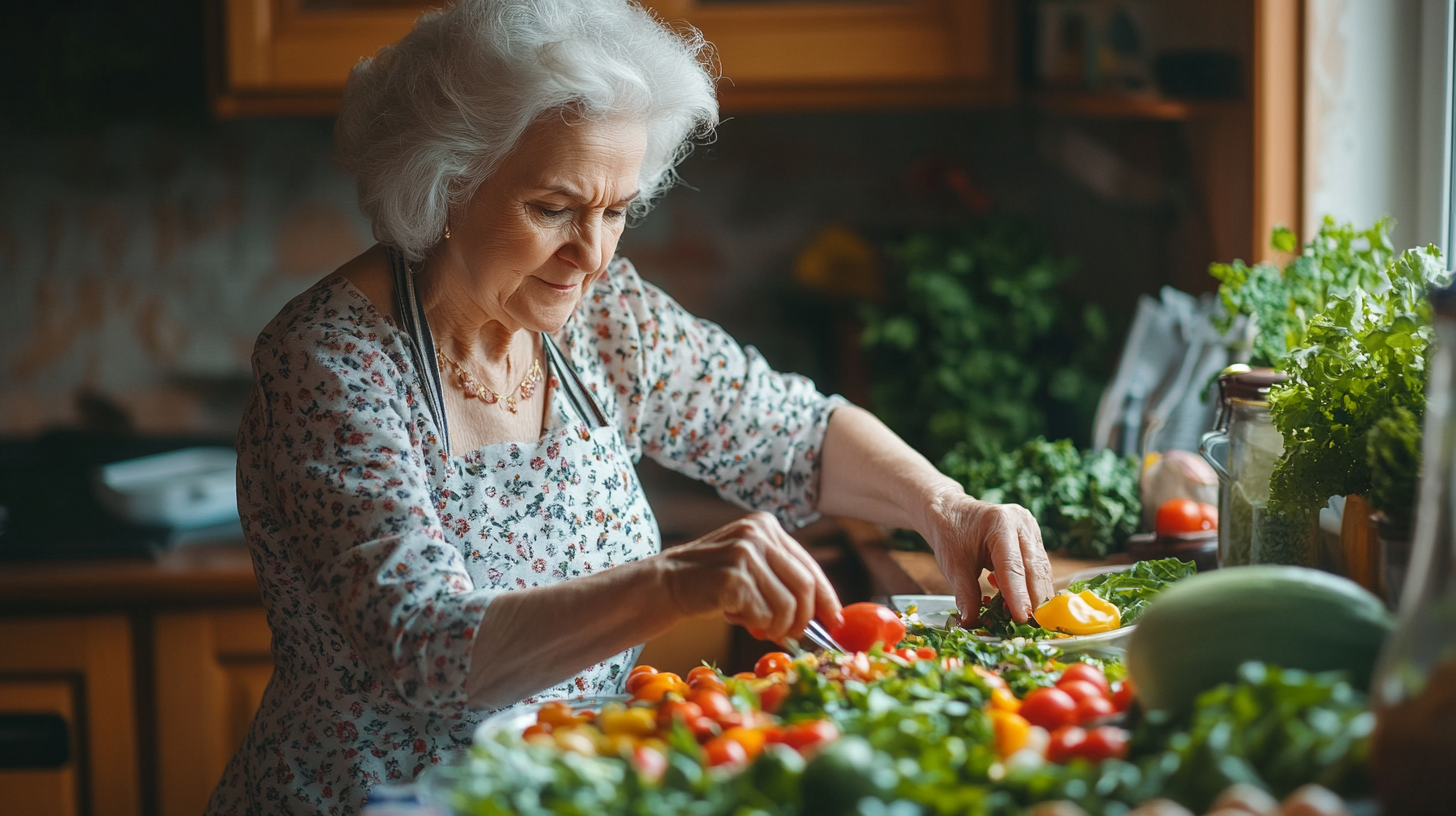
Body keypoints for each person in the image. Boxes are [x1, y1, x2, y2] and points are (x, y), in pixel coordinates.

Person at [207, 1, 1052, 813]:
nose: (593, 254)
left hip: (562, 793)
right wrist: (679, 580)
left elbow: (791, 432)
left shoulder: (603, 319)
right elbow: (427, 651)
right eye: (554, 208)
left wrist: (948, 508)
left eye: (616, 211)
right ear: (449, 179)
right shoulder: (330, 363)